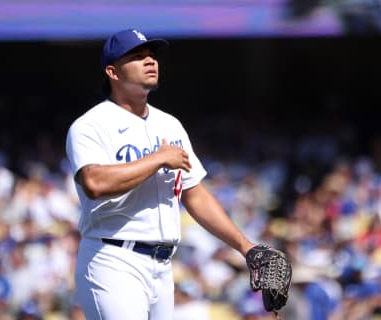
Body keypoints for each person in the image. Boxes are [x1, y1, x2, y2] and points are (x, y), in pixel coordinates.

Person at [65, 28, 257, 320]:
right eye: (138, 57)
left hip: (163, 266)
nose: (150, 61)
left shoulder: (170, 125)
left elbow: (194, 194)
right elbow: (94, 182)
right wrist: (157, 159)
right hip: (114, 259)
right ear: (112, 72)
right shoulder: (90, 125)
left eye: (152, 56)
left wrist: (245, 246)